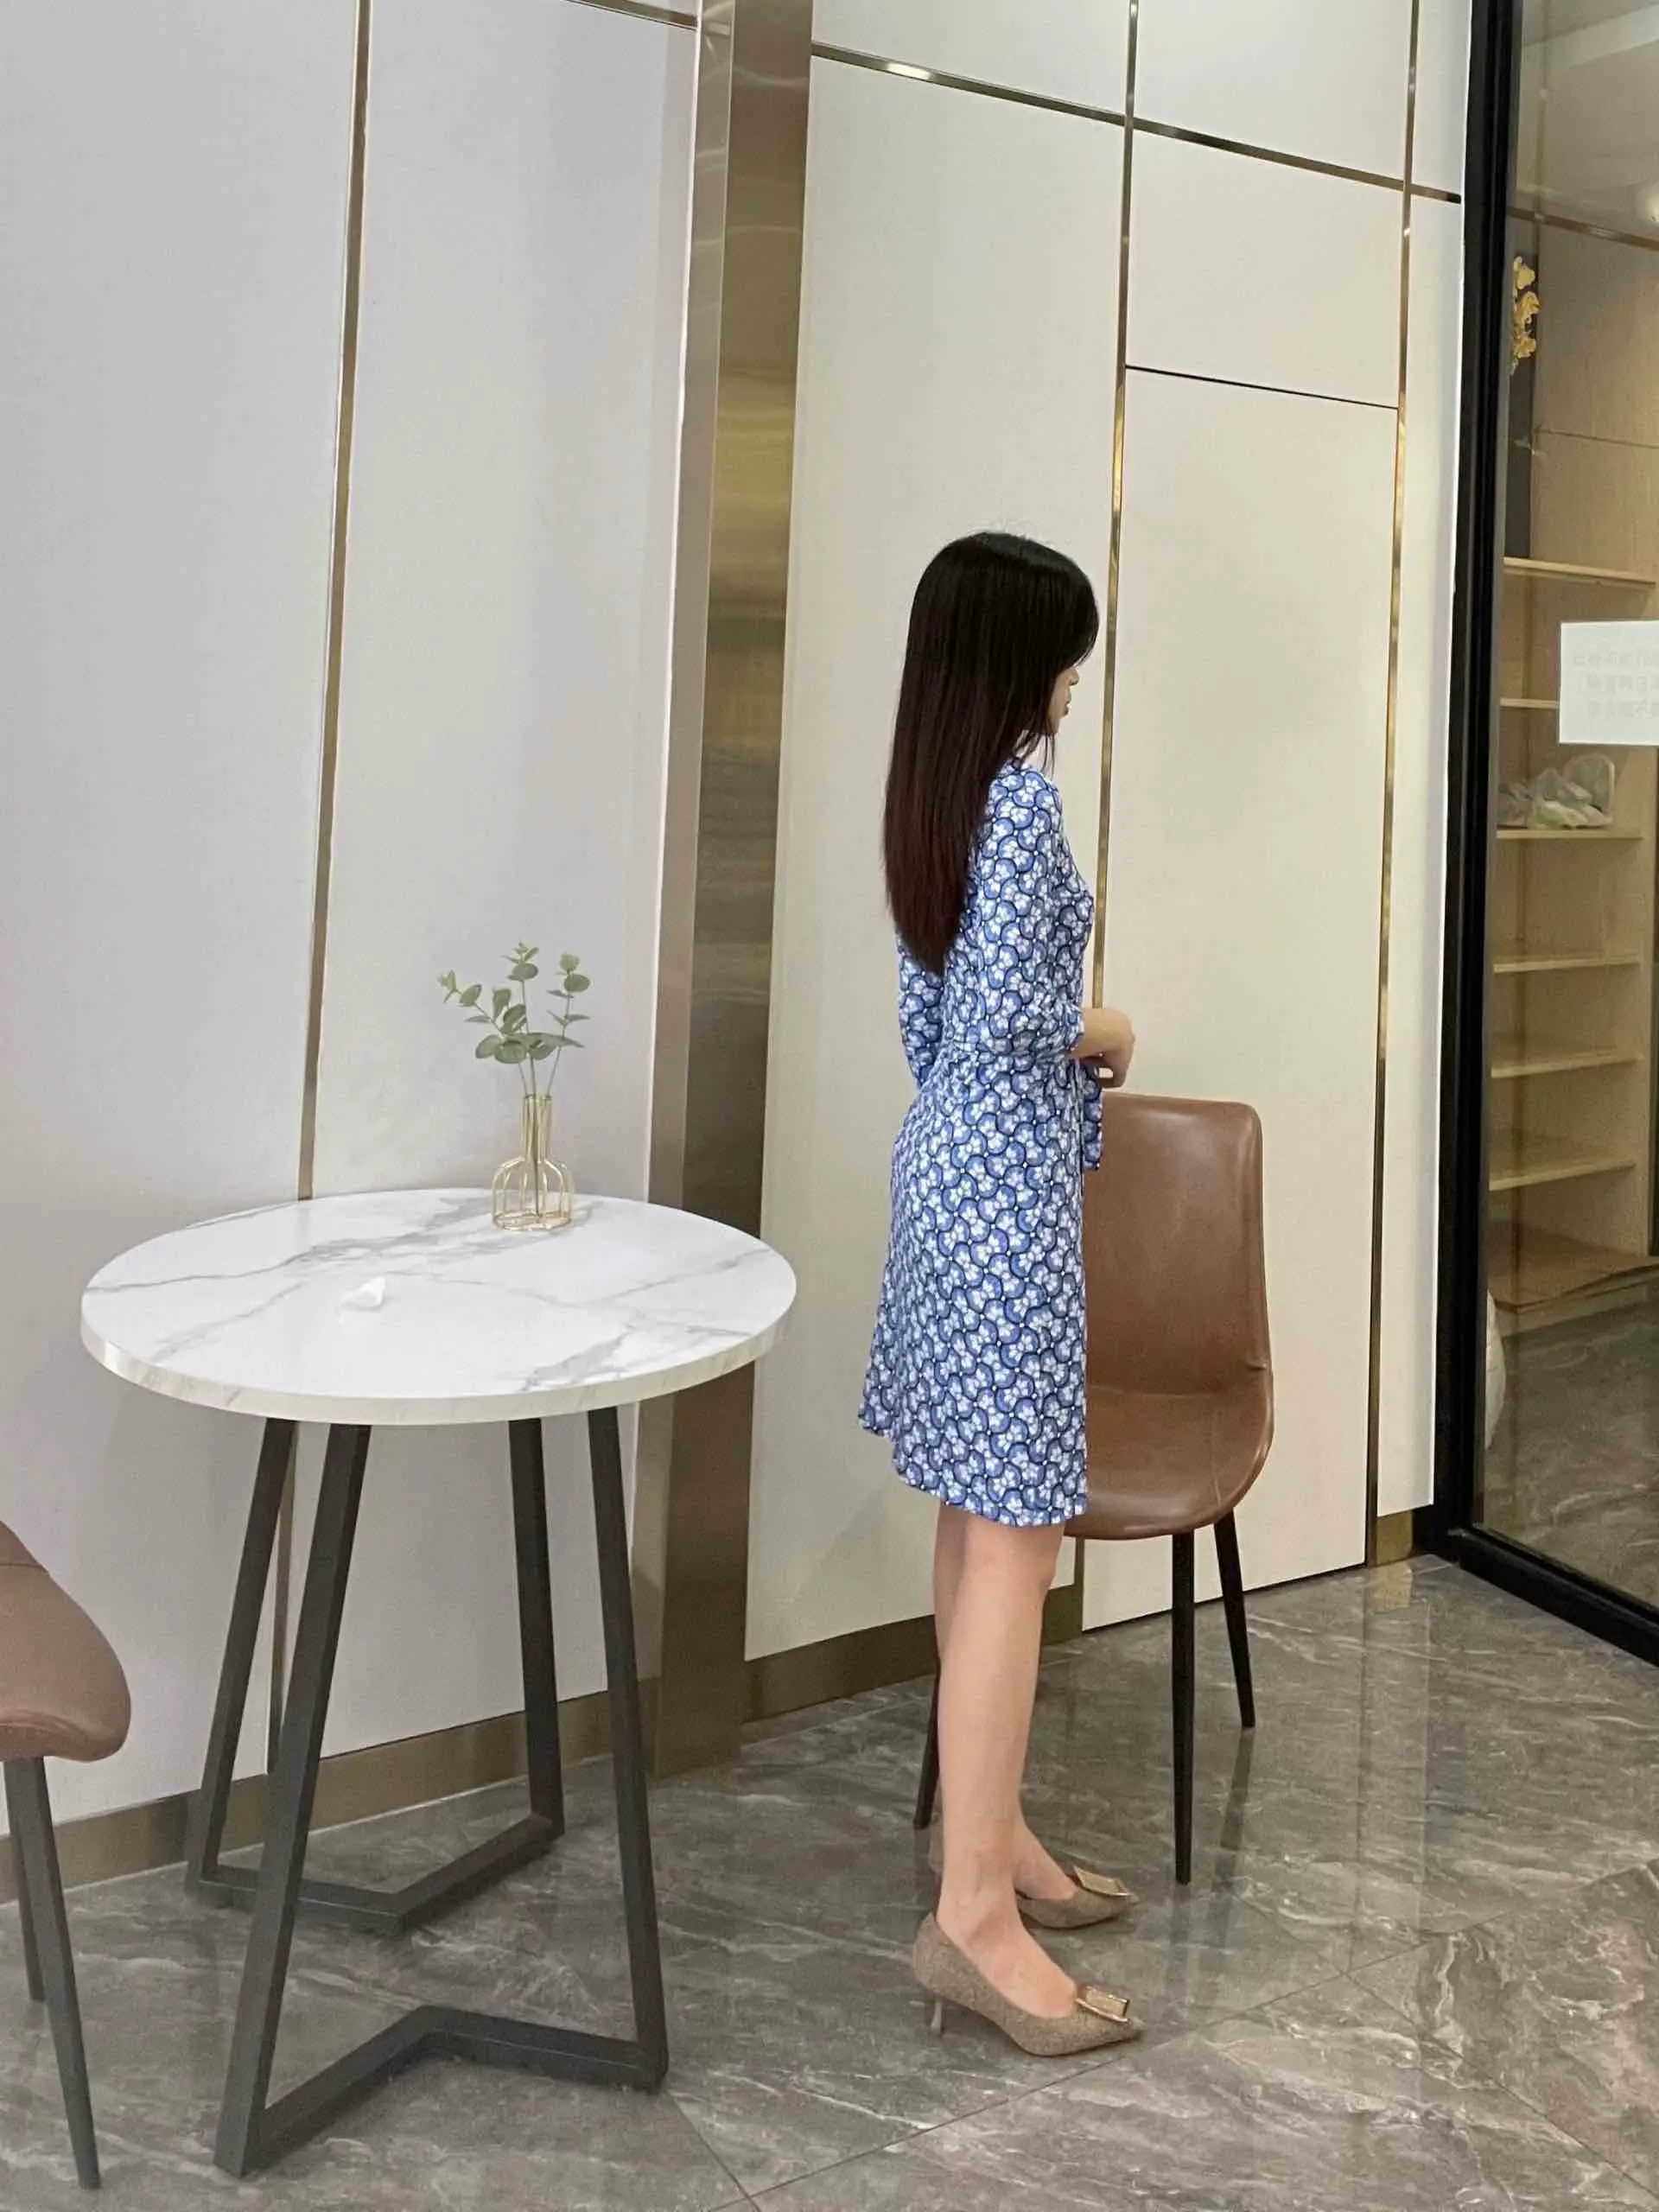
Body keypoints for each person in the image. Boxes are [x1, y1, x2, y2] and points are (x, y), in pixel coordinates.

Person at [861, 531, 1141, 2056]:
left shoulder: (934, 797)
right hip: (1009, 1204)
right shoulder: (1021, 803)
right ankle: (973, 1914)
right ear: (1020, 657)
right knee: (1018, 1547)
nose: (1075, 680)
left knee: (977, 1529)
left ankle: (994, 1840)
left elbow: (937, 1028)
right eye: (1065, 653)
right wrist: (1111, 1029)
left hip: (940, 1175)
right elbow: (1027, 1021)